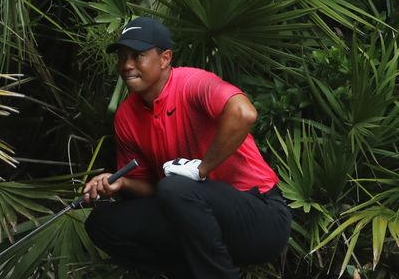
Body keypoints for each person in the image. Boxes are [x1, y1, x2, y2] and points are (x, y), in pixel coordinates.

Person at [83, 16, 291, 279]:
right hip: (194, 219)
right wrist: (121, 185)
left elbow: (244, 113)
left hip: (261, 217)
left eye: (137, 56)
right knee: (102, 224)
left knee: (176, 187)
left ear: (165, 58)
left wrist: (201, 169)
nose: (126, 65)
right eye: (122, 57)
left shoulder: (192, 83)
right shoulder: (126, 116)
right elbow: (151, 189)